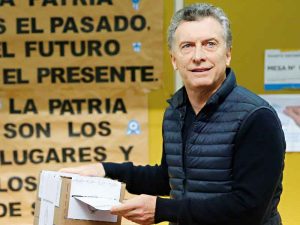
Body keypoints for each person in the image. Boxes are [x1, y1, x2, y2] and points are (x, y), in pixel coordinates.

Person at [60, 3, 286, 225]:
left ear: (227, 54)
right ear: (174, 59)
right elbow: (168, 179)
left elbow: (249, 208)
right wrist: (103, 171)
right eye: (187, 46)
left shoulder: (257, 117)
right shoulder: (175, 112)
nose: (198, 56)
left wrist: (161, 210)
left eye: (210, 44)